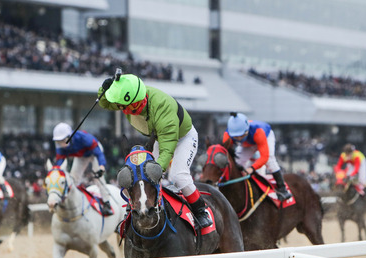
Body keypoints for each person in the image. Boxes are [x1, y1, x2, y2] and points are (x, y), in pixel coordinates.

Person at [98, 73, 213, 228]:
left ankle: (201, 211)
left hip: (182, 137)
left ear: (139, 102)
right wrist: (104, 91)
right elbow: (106, 103)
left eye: (127, 107)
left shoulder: (162, 108)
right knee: (140, 177)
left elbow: (167, 149)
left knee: (178, 177)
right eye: (121, 107)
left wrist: (156, 171)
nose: (124, 111)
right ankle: (132, 210)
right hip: (160, 137)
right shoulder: (130, 101)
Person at [223, 112, 292, 201]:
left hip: (265, 137)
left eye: (242, 135)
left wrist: (251, 168)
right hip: (248, 144)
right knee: (237, 162)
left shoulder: (258, 131)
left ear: (247, 129)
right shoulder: (227, 135)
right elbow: (227, 155)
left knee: (270, 161)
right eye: (236, 137)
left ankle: (282, 188)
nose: (239, 139)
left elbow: (264, 157)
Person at [52, 122, 113, 216]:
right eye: (58, 142)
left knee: (97, 177)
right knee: (74, 179)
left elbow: (98, 153)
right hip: (81, 156)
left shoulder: (84, 138)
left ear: (69, 137)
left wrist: (101, 166)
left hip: (94, 152)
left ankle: (107, 203)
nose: (60, 144)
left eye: (62, 140)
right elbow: (60, 163)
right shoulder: (60, 147)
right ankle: (72, 203)